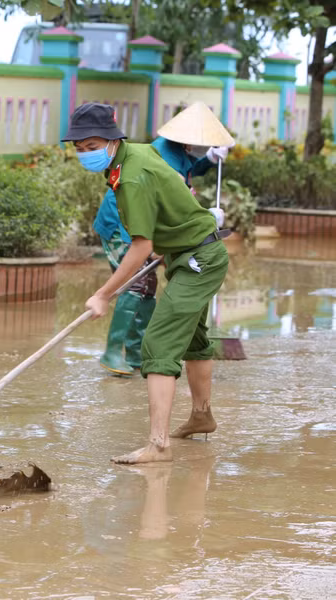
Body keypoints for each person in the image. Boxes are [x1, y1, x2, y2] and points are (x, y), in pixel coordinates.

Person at [63, 103, 229, 465]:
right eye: (79, 149)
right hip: (188, 256)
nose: (85, 155)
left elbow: (141, 245)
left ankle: (158, 445)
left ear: (111, 139)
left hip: (199, 260)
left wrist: (103, 294)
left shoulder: (132, 175)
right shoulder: (131, 156)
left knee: (159, 341)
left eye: (91, 147)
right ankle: (202, 416)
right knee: (195, 338)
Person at [94, 101, 231, 377]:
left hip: (147, 228)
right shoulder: (163, 154)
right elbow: (173, 196)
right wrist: (206, 214)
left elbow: (189, 168)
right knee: (135, 284)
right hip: (124, 226)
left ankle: (136, 353)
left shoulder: (179, 148)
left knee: (147, 288)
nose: (201, 147)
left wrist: (209, 160)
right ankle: (112, 351)